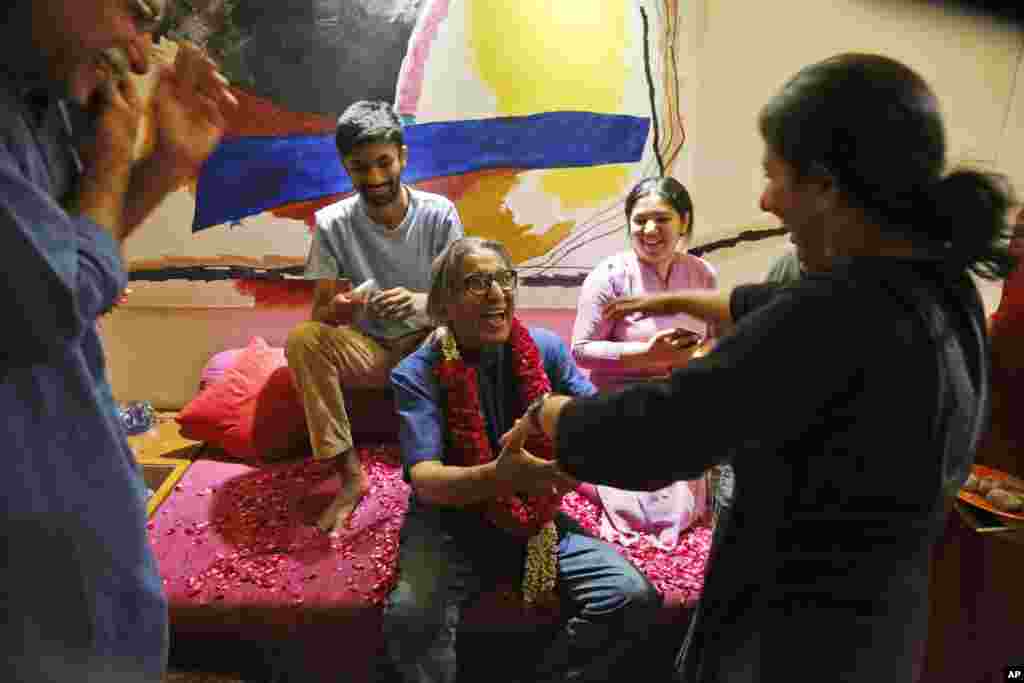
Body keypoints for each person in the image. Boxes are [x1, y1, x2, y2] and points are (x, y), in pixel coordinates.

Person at [503, 53, 1012, 682]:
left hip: (792, 640)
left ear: (828, 184)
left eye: (775, 176)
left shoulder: (835, 314)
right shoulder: (940, 285)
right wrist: (672, 299)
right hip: (883, 631)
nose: (766, 201)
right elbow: (764, 305)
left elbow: (666, 428)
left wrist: (553, 414)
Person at [0, 1, 238, 681]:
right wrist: (113, 156)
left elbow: (69, 263)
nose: (139, 54)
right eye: (137, 13)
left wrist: (161, 163)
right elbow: (56, 296)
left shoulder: (33, 105)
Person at [382, 237, 661, 682]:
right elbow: (427, 480)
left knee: (630, 595)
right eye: (476, 282)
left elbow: (593, 424)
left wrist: (636, 423)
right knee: (411, 618)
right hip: (448, 524)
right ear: (444, 304)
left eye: (503, 279)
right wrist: (500, 476)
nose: (496, 292)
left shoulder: (545, 350)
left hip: (534, 515)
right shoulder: (417, 372)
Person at [286, 100, 464, 534]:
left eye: (384, 163)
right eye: (361, 167)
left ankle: (448, 462)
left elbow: (462, 302)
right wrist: (344, 307)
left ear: (402, 155)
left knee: (454, 332)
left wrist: (421, 303)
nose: (376, 178)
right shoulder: (331, 223)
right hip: (370, 351)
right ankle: (349, 477)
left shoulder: (439, 214)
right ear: (347, 167)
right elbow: (321, 313)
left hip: (427, 348)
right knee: (302, 338)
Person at [571, 176, 716, 391]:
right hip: (619, 407)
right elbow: (581, 351)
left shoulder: (703, 273)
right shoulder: (608, 277)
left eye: (662, 219)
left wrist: (696, 357)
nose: (649, 229)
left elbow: (712, 338)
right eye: (640, 220)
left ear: (683, 222)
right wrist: (647, 354)